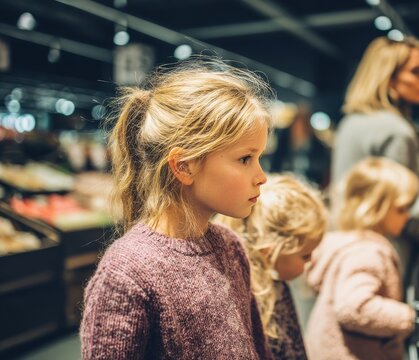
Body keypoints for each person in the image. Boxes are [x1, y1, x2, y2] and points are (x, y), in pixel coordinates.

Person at [80, 58, 275, 360]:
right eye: (245, 159)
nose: (261, 177)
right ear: (184, 166)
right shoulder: (126, 275)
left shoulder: (230, 247)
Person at [331, 35, 419, 285]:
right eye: (416, 72)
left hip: (345, 245)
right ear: (389, 79)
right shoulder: (396, 131)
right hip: (385, 251)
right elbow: (407, 205)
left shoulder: (350, 123)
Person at [306, 157, 419, 360]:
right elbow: (354, 307)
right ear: (376, 209)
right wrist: (405, 316)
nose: (407, 216)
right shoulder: (368, 252)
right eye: (401, 209)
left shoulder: (344, 243)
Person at [215, 175, 327, 360]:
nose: (311, 262)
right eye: (305, 255)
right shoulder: (243, 294)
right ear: (271, 250)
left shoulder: (276, 288)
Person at [270, 103, 330, 189]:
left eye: (302, 126)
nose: (298, 130)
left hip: (309, 187)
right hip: (285, 186)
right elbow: (276, 164)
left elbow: (320, 171)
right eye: (296, 126)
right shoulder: (284, 142)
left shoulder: (317, 146)